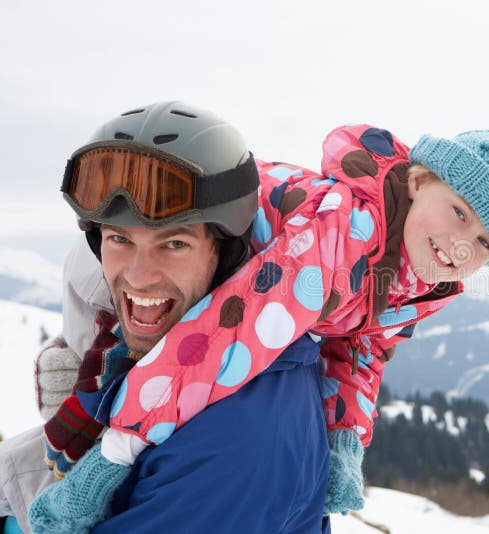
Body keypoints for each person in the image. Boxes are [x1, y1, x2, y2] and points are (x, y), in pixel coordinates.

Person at [30, 103, 489, 533]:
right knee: (115, 350)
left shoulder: (422, 275)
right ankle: (77, 404)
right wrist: (112, 454)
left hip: (195, 274)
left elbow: (361, 343)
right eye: (459, 212)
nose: (461, 245)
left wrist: (346, 439)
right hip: (142, 247)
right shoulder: (340, 236)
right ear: (418, 181)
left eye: (483, 242)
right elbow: (224, 341)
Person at [0, 102, 330, 533]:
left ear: (226, 250)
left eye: (173, 244)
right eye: (119, 239)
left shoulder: (235, 444)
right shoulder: (178, 349)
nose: (138, 277)